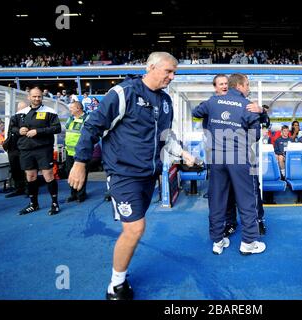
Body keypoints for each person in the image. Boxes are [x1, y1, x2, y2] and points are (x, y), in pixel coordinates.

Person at [68, 52, 195, 300]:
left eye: (174, 73)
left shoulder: (166, 101)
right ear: (151, 67)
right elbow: (93, 127)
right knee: (135, 228)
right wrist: (80, 162)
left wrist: (183, 153)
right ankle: (115, 285)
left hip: (149, 175)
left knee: (135, 227)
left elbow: (166, 136)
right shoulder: (123, 93)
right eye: (168, 71)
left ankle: (120, 275)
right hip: (122, 174)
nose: (172, 76)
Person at [192, 73, 266, 256]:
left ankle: (218, 241)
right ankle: (248, 242)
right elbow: (255, 136)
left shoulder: (213, 101)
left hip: (216, 157)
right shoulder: (248, 106)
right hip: (239, 156)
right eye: (247, 85)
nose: (248, 88)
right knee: (246, 199)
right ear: (240, 86)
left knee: (217, 200)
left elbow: (196, 113)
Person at [10, 87, 62, 215]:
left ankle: (55, 203)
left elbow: (57, 128)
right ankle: (33, 204)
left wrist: (37, 132)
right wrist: (19, 131)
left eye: (39, 96)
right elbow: (12, 127)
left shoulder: (49, 111)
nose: (37, 99)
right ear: (29, 97)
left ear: (42, 97)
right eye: (34, 96)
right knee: (31, 176)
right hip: (26, 149)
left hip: (43, 149)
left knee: (48, 175)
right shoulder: (21, 113)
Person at [64, 101, 89, 203]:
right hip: (69, 151)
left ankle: (81, 194)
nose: (70, 110)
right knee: (70, 173)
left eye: (72, 108)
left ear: (78, 108)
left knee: (81, 173)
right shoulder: (70, 119)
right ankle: (73, 194)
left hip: (81, 151)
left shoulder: (87, 119)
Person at [4, 101, 28, 198]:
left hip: (24, 148)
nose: (21, 111)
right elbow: (11, 129)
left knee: (25, 169)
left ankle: (28, 189)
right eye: (20, 108)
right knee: (15, 169)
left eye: (24, 108)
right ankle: (19, 188)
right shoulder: (13, 117)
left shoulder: (29, 118)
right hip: (12, 148)